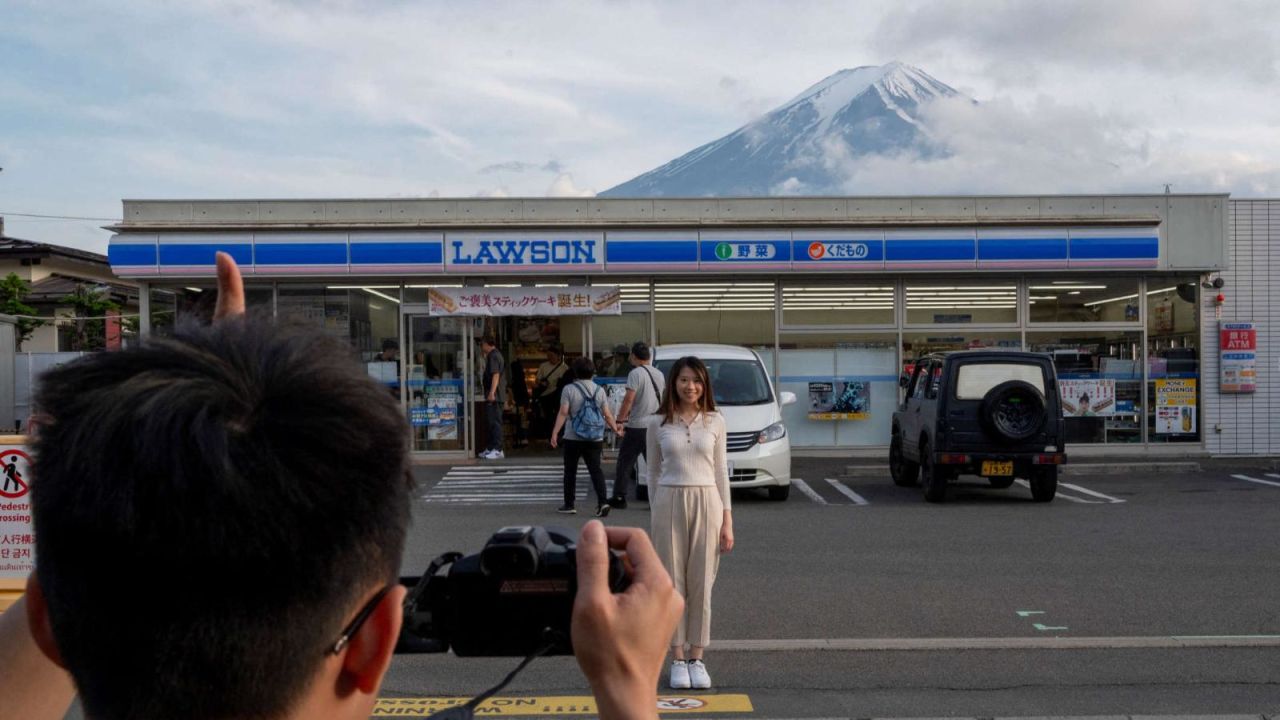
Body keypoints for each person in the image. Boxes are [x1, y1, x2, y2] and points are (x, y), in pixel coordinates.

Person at [8, 252, 683, 720]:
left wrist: (118, 452)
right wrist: (628, 694)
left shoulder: (50, 614)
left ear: (48, 623)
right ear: (375, 640)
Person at [645, 355, 734, 691]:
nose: (690, 386)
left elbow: (720, 473)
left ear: (704, 385)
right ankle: (677, 658)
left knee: (702, 582)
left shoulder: (715, 420)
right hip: (668, 501)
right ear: (674, 383)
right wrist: (656, 512)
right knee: (671, 585)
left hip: (708, 502)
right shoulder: (658, 423)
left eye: (697, 381)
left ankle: (698, 656)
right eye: (684, 380)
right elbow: (652, 471)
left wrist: (727, 520)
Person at [551, 356, 618, 517]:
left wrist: (555, 432)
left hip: (573, 437)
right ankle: (603, 502)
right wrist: (616, 429)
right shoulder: (599, 390)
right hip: (594, 437)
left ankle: (569, 504)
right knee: (596, 470)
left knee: (570, 471)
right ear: (592, 371)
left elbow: (563, 412)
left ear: (575, 372)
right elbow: (607, 414)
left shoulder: (569, 389)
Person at [609, 341, 665, 508]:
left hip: (638, 426)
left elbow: (628, 399)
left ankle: (619, 498)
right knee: (655, 465)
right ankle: (659, 500)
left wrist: (619, 420)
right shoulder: (659, 374)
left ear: (634, 356)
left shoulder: (635, 374)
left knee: (625, 462)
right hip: (655, 424)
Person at [533, 345, 568, 439]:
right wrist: (541, 383)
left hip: (558, 395)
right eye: (548, 355)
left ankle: (560, 436)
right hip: (545, 395)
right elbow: (537, 380)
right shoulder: (543, 366)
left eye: (552, 355)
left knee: (559, 415)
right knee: (548, 417)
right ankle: (550, 437)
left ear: (558, 356)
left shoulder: (564, 368)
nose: (550, 358)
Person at [479, 335, 506, 459]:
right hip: (496, 395)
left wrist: (492, 392)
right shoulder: (495, 355)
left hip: (495, 396)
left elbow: (496, 375)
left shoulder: (494, 356)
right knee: (491, 422)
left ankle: (497, 448)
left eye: (482, 344)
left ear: (486, 344)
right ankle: (491, 448)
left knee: (495, 422)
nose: (481, 347)